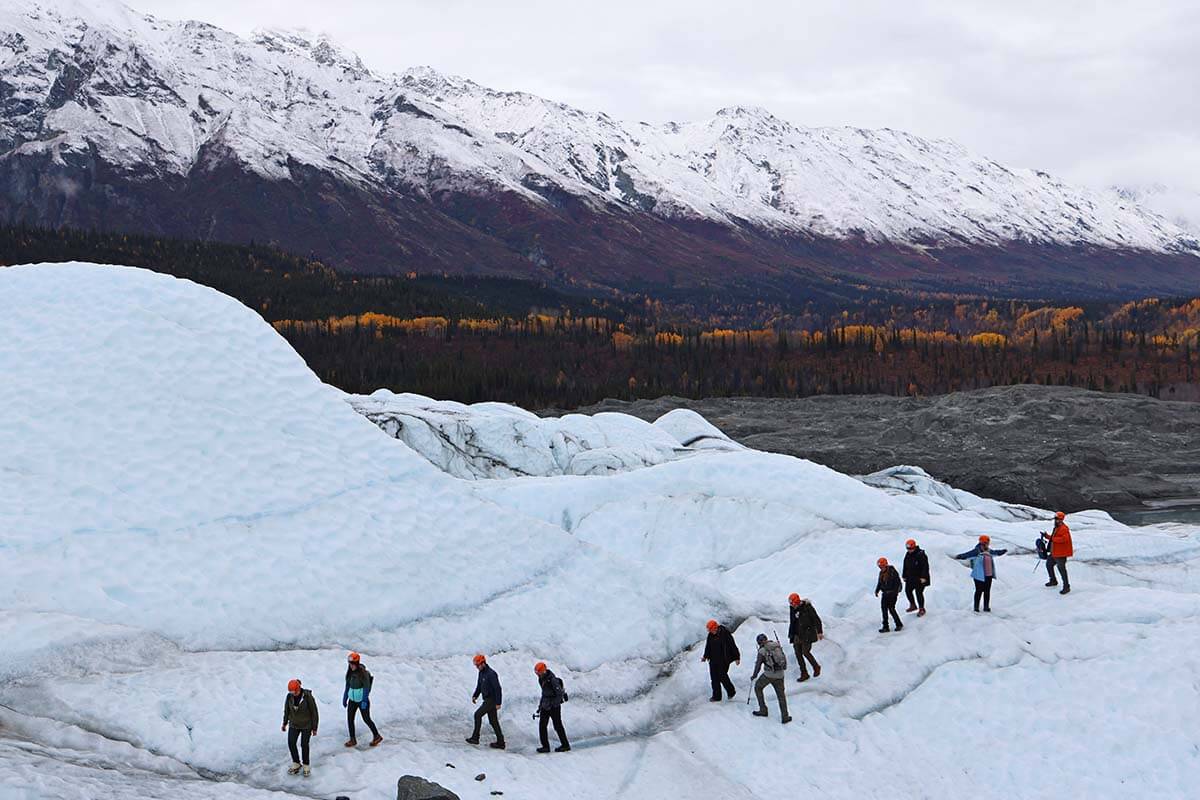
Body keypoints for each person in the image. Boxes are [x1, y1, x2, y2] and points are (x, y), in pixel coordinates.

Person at [954, 535, 1008, 612]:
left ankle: (986, 607)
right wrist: (960, 556)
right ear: (982, 542)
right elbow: (968, 554)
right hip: (979, 576)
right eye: (986, 542)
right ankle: (976, 608)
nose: (987, 544)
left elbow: (995, 552)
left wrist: (1002, 551)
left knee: (987, 591)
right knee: (979, 591)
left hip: (988, 575)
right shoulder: (977, 551)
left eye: (988, 542)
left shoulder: (988, 551)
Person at [342, 651, 382, 748]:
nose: (351, 666)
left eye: (352, 664)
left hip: (361, 700)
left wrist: (364, 700)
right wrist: (345, 697)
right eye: (349, 664)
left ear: (356, 663)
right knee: (350, 719)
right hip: (352, 700)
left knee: (366, 719)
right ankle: (352, 739)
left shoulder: (363, 673)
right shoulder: (349, 673)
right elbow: (347, 685)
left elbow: (366, 688)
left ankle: (377, 736)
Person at [750, 634, 792, 724]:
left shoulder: (762, 651)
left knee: (758, 687)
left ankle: (763, 710)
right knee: (781, 696)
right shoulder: (777, 645)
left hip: (768, 675)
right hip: (780, 675)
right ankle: (785, 716)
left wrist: (754, 675)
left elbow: (758, 665)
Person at [281, 678, 318, 777]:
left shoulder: (307, 697)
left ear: (299, 688)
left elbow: (314, 712)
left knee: (304, 744)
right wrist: (284, 723)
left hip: (306, 725)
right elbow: (286, 710)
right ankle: (296, 763)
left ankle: (306, 765)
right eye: (291, 692)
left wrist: (314, 727)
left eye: (295, 691)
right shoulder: (289, 697)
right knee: (291, 742)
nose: (293, 694)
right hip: (294, 724)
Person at [467, 653, 505, 749]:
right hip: (487, 699)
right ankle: (501, 742)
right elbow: (479, 685)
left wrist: (498, 703)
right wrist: (475, 695)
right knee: (493, 721)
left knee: (477, 714)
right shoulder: (481, 673)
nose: (476, 667)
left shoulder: (491, 674)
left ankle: (475, 738)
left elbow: (498, 688)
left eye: (477, 665)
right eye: (476, 665)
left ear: (483, 663)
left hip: (491, 700)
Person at [534, 661, 570, 753]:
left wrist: (553, 704)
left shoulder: (552, 680)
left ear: (543, 671)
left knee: (558, 726)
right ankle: (545, 746)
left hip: (554, 707)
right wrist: (540, 706)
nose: (537, 674)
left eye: (538, 672)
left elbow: (559, 694)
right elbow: (544, 694)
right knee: (542, 726)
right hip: (545, 706)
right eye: (536, 673)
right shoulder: (541, 679)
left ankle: (565, 745)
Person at [701, 619, 741, 701]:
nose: (710, 631)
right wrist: (705, 656)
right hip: (713, 660)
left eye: (711, 629)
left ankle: (731, 691)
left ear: (715, 627)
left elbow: (732, 645)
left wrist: (737, 657)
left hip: (724, 660)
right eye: (709, 630)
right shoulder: (710, 635)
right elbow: (708, 647)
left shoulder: (725, 634)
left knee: (722, 676)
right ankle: (717, 696)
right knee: (714, 679)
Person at [786, 593, 823, 682]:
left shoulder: (807, 608)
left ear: (797, 601)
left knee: (805, 652)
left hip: (807, 634)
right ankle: (804, 673)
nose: (791, 605)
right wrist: (792, 634)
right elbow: (793, 622)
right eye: (790, 603)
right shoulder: (792, 609)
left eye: (793, 603)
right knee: (798, 654)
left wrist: (819, 632)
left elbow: (816, 619)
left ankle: (816, 666)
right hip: (797, 635)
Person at [1042, 511, 1073, 594]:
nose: (1055, 520)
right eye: (1055, 519)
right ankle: (1053, 580)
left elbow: (1064, 539)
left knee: (1062, 570)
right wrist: (1047, 536)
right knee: (1049, 564)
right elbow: (1054, 538)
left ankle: (1066, 587)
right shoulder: (1056, 527)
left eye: (1057, 519)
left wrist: (1052, 539)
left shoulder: (1064, 528)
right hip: (1054, 552)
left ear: (1061, 519)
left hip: (1061, 554)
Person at [902, 538, 931, 616]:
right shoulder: (908, 554)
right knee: (908, 591)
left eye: (910, 548)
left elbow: (925, 567)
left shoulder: (921, 554)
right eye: (908, 548)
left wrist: (924, 577)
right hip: (910, 577)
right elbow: (905, 565)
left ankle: (922, 609)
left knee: (918, 593)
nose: (909, 550)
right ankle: (913, 605)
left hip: (920, 578)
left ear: (914, 547)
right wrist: (904, 575)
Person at [875, 557, 903, 633]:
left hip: (892, 594)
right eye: (880, 567)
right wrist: (877, 590)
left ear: (885, 565)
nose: (881, 568)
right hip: (885, 594)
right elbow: (880, 583)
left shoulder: (892, 571)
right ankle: (885, 627)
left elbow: (897, 582)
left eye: (882, 566)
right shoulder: (881, 573)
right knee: (884, 610)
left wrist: (894, 593)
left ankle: (899, 624)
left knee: (891, 609)